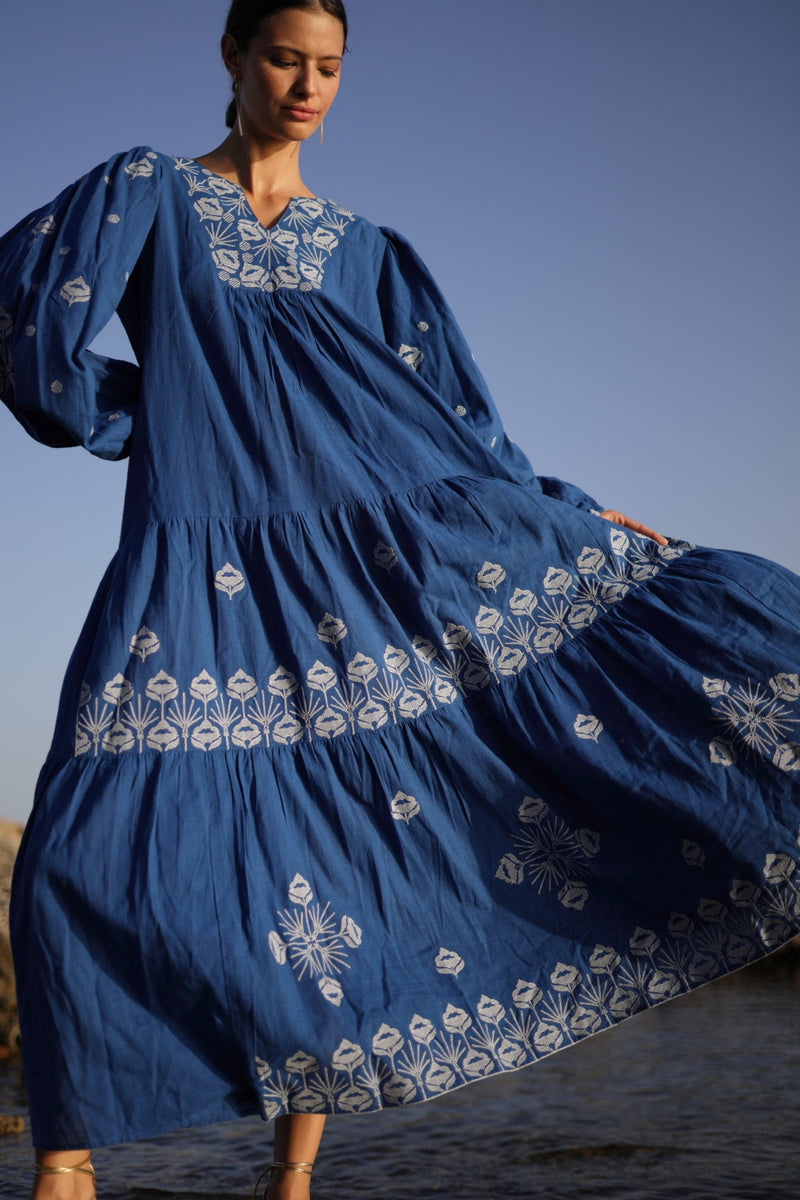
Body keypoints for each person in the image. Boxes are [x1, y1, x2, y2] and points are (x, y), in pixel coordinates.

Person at [2, 1, 799, 1197]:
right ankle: (64, 1166)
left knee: (347, 840)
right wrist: (146, 414)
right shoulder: (148, 192)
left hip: (372, 575)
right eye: (283, 57)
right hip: (198, 562)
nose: (307, 86)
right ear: (230, 55)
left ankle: (292, 1183)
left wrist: (561, 507)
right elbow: (28, 333)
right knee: (75, 853)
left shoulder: (369, 253)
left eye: (328, 67)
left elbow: (462, 437)